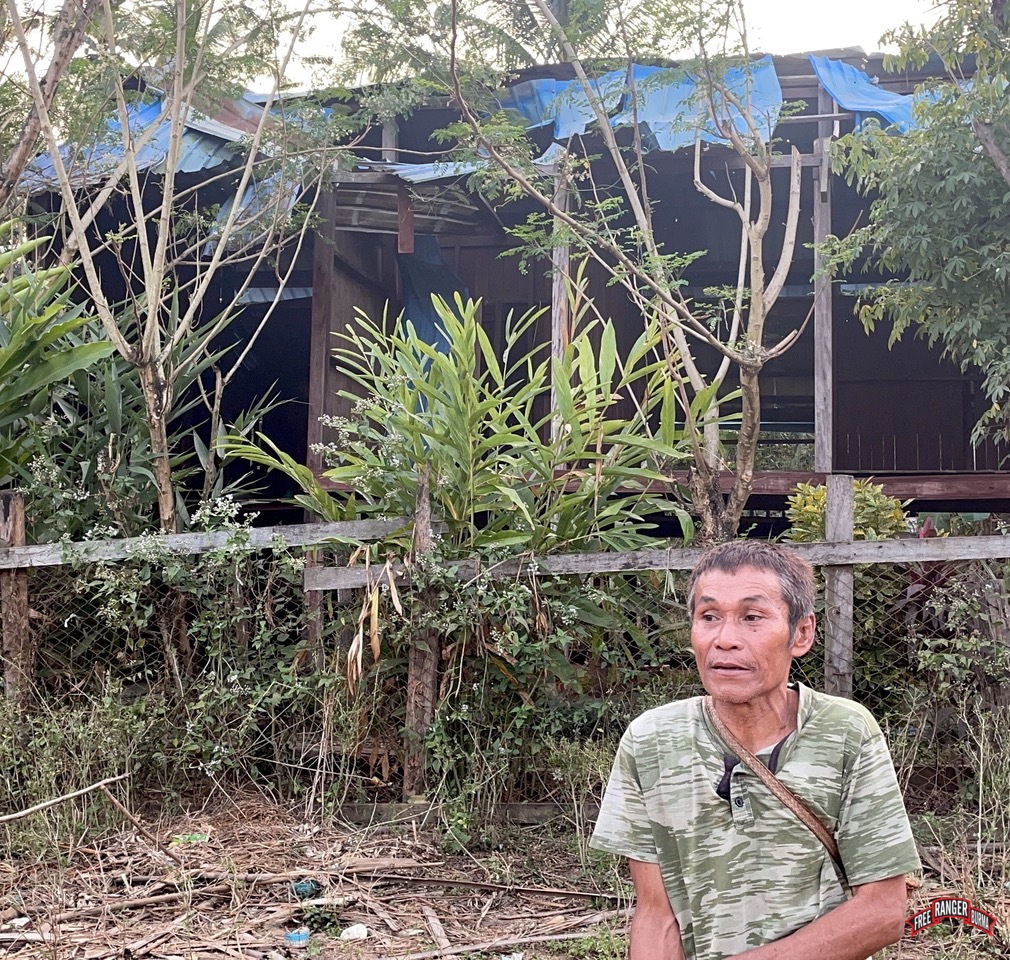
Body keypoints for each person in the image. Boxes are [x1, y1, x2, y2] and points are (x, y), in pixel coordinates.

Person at [590, 540, 920, 960]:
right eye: (709, 616)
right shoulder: (650, 741)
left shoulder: (845, 733)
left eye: (752, 617)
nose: (725, 640)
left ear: (801, 633)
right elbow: (658, 915)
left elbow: (882, 910)